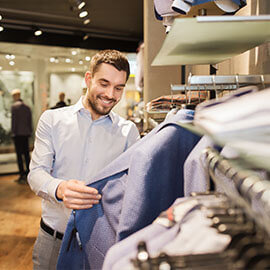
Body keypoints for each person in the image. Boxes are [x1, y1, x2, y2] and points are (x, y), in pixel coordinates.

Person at [28, 49, 140, 269]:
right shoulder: (52, 120)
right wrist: (60, 188)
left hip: (102, 243)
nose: (110, 94)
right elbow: (36, 174)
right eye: (104, 83)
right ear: (88, 79)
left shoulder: (129, 132)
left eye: (118, 88)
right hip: (53, 240)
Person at [11, 88, 32, 184]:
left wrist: (13, 132)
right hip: (26, 134)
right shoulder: (27, 107)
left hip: (18, 134)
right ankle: (28, 174)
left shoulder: (14, 107)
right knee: (26, 155)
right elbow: (29, 121)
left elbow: (14, 122)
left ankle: (21, 175)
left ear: (16, 96)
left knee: (19, 155)